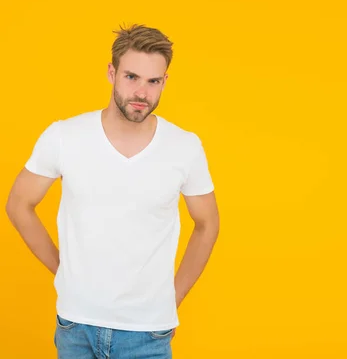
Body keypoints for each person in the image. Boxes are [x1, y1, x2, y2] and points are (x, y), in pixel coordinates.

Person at [5, 23, 220, 358]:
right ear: (112, 72)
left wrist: (171, 299)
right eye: (131, 77)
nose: (141, 93)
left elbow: (207, 224)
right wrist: (61, 268)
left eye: (154, 81)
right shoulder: (65, 136)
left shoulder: (184, 147)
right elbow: (19, 204)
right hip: (75, 327)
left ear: (165, 81)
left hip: (148, 332)